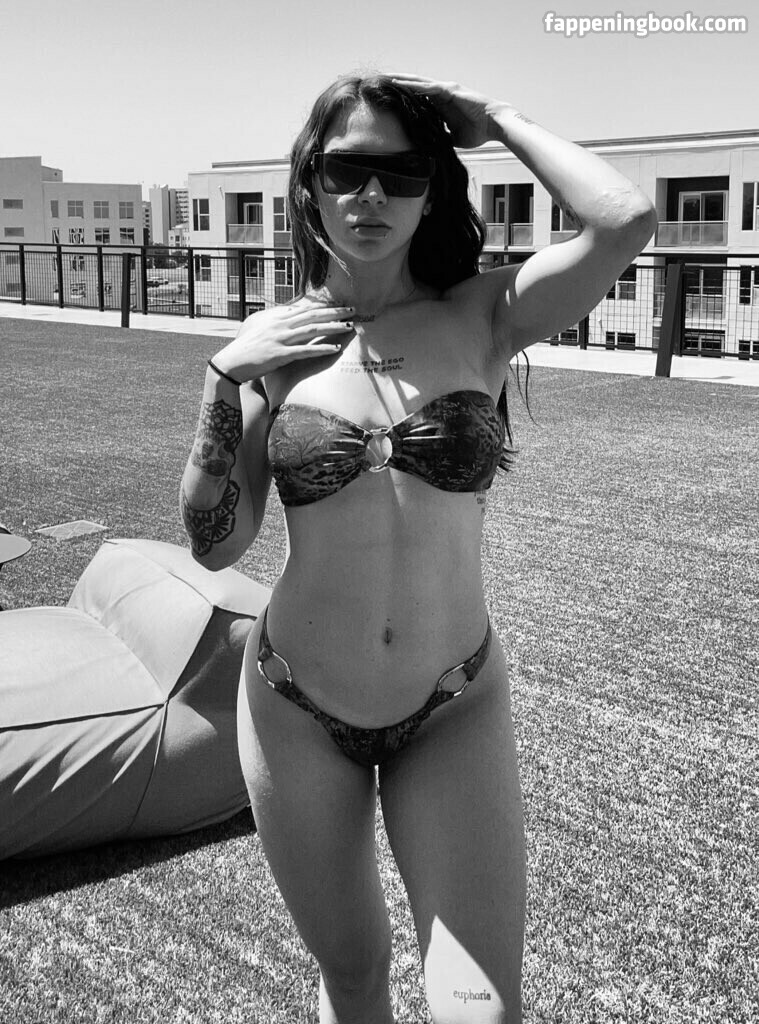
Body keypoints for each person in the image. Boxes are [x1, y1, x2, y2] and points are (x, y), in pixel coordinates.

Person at [179, 73, 656, 1024]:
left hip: (452, 706)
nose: (371, 195)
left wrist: (500, 121)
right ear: (309, 181)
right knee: (355, 974)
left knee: (478, 1005)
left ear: (432, 190)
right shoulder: (277, 349)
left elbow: (622, 221)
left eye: (401, 174)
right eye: (347, 171)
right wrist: (225, 375)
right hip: (294, 708)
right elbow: (214, 543)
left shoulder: (484, 314)